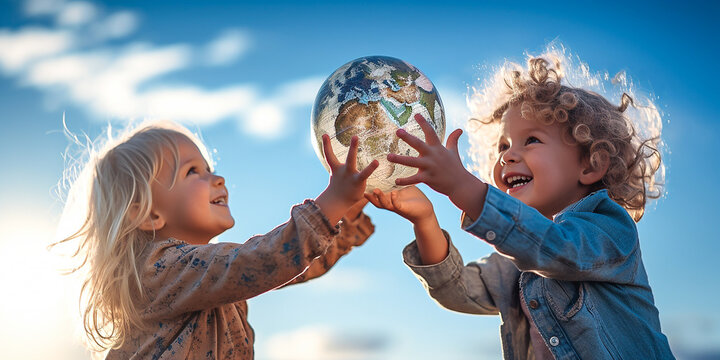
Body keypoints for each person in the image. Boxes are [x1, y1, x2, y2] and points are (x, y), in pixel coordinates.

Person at [366, 52, 675, 359]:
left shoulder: (609, 231)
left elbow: (555, 250)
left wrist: (463, 187)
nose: (508, 156)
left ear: (591, 165)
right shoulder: (514, 262)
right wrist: (425, 221)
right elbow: (458, 290)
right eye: (503, 145)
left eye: (531, 141)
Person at [52, 120, 378, 359]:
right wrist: (332, 202)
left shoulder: (210, 272)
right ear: (149, 215)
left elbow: (294, 265)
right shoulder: (159, 269)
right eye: (193, 171)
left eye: (209, 168)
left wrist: (346, 213)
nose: (217, 178)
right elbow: (269, 259)